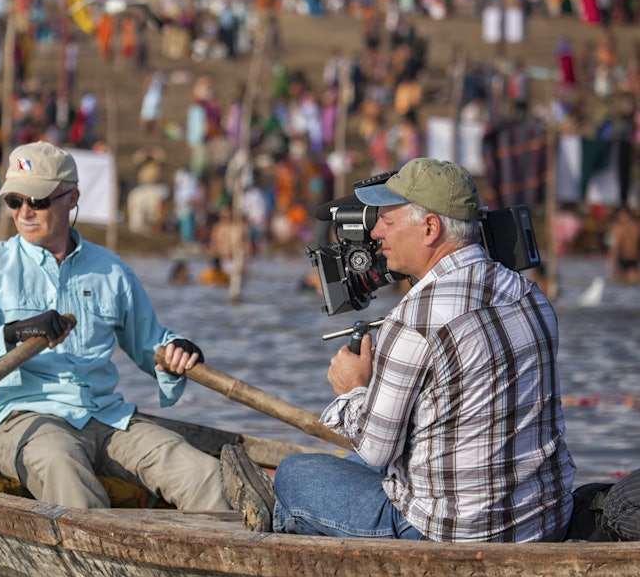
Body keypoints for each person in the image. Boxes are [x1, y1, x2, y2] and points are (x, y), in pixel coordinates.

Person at [222, 157, 575, 542]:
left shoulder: (415, 318)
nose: (375, 233)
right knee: (356, 463)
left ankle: (288, 516)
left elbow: (376, 449)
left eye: (387, 221)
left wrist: (353, 388)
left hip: (451, 533)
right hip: (543, 520)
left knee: (294, 473)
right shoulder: (528, 294)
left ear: (429, 227)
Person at [0, 141, 230, 512]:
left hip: (107, 416)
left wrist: (179, 350)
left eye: (37, 201)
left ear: (72, 199)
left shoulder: (112, 270)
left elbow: (152, 345)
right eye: (14, 201)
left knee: (204, 474)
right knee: (65, 471)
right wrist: (11, 334)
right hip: (27, 420)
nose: (24, 213)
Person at [605, 207, 640, 284]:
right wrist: (611, 262)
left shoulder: (633, 228)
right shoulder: (617, 229)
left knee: (630, 284)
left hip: (633, 259)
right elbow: (612, 246)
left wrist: (610, 263)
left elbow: (613, 247)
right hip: (622, 259)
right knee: (621, 284)